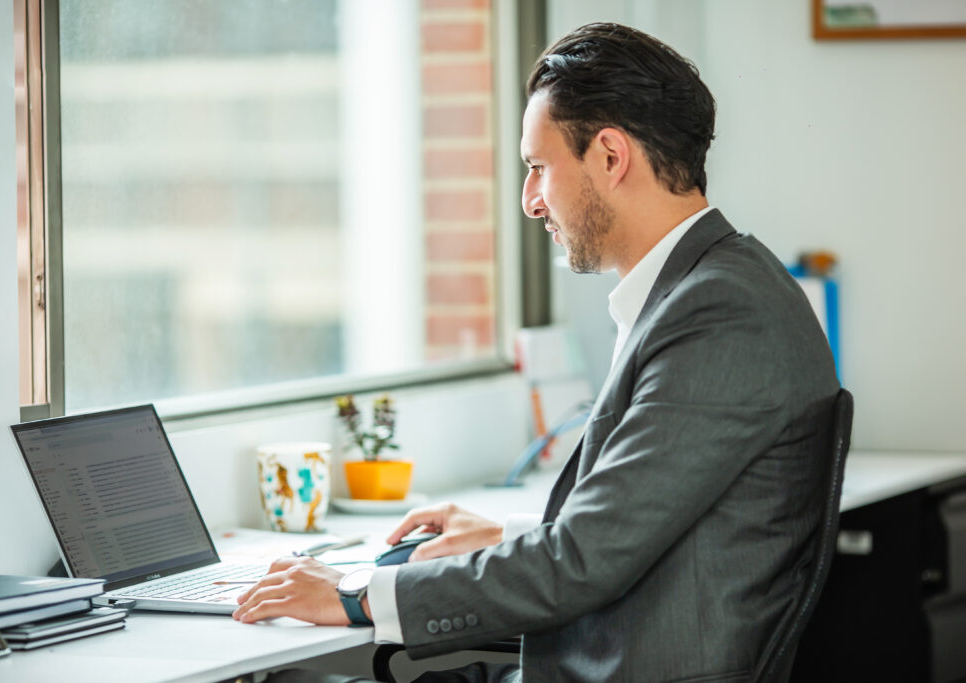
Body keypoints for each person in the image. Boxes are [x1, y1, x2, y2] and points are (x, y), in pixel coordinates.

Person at [233, 22, 839, 683]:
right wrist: (508, 537)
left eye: (538, 167)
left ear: (610, 157)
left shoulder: (721, 313)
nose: (529, 201)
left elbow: (583, 561)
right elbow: (633, 526)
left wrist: (355, 595)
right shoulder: (714, 286)